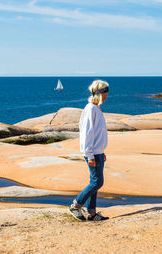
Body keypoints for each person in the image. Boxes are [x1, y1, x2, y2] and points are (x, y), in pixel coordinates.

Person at [69, 80, 110, 221]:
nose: (107, 95)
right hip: (92, 152)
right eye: (105, 92)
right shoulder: (90, 109)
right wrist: (89, 154)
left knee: (94, 182)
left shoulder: (96, 108)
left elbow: (97, 133)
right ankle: (75, 205)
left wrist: (101, 151)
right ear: (100, 93)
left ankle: (92, 213)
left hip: (97, 151)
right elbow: (87, 133)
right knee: (97, 183)